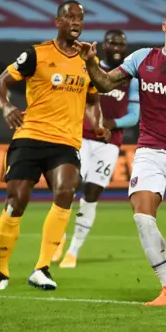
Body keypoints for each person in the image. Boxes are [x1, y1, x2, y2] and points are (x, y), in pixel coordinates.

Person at [76, 0, 166, 306]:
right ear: (164, 26)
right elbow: (106, 82)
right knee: (142, 217)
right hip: (149, 151)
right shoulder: (143, 58)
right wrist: (90, 62)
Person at [0, 0, 110, 291]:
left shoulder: (88, 60)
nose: (76, 21)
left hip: (65, 141)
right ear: (58, 22)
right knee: (16, 201)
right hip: (30, 136)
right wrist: (5, 107)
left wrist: (99, 123)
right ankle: (1, 272)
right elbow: (0, 84)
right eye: (69, 16)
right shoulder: (36, 54)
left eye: (80, 17)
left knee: (66, 190)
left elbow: (93, 100)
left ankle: (41, 268)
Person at [53, 30, 139, 268]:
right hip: (81, 137)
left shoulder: (131, 77)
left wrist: (111, 124)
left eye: (122, 43)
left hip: (108, 144)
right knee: (68, 188)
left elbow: (134, 115)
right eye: (113, 42)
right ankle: (57, 237)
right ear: (104, 45)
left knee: (91, 195)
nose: (117, 47)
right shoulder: (88, 67)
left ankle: (73, 250)